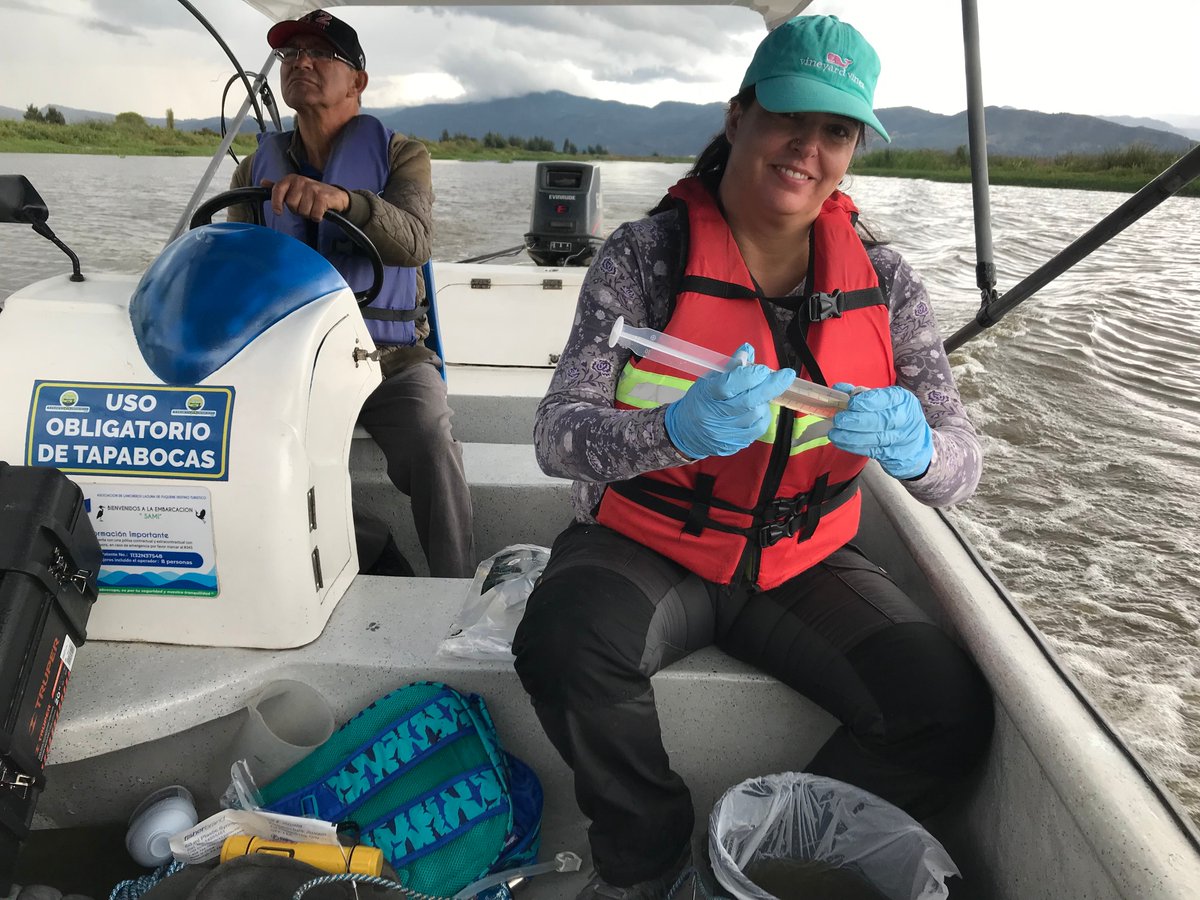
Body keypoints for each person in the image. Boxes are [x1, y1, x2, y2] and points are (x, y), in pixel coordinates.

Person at [512, 15, 994, 899]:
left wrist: (917, 450)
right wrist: (674, 431)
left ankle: (773, 847)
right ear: (739, 118)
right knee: (566, 641)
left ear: (853, 150)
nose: (808, 148)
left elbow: (962, 465)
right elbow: (557, 434)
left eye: (837, 132)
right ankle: (649, 860)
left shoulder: (887, 284)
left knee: (944, 706)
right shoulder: (643, 258)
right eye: (789, 119)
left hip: (804, 558)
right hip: (649, 543)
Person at [226, 9, 474, 578]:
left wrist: (343, 200)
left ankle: (457, 591)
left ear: (357, 81)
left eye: (319, 53)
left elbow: (413, 241)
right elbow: (235, 259)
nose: (300, 63)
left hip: (389, 356)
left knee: (432, 441)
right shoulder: (253, 170)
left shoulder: (400, 156)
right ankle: (376, 549)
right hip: (293, 358)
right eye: (290, 55)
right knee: (246, 448)